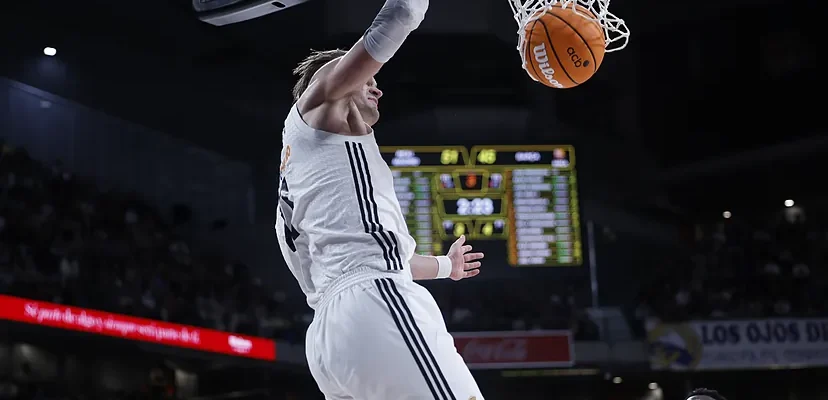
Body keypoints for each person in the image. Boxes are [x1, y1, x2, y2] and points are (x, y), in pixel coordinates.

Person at [274, 0, 485, 397]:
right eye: (368, 78)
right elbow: (402, 13)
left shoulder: (306, 166)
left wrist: (445, 266)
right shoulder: (319, 102)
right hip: (374, 303)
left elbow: (376, 258)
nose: (378, 85)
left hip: (328, 338)